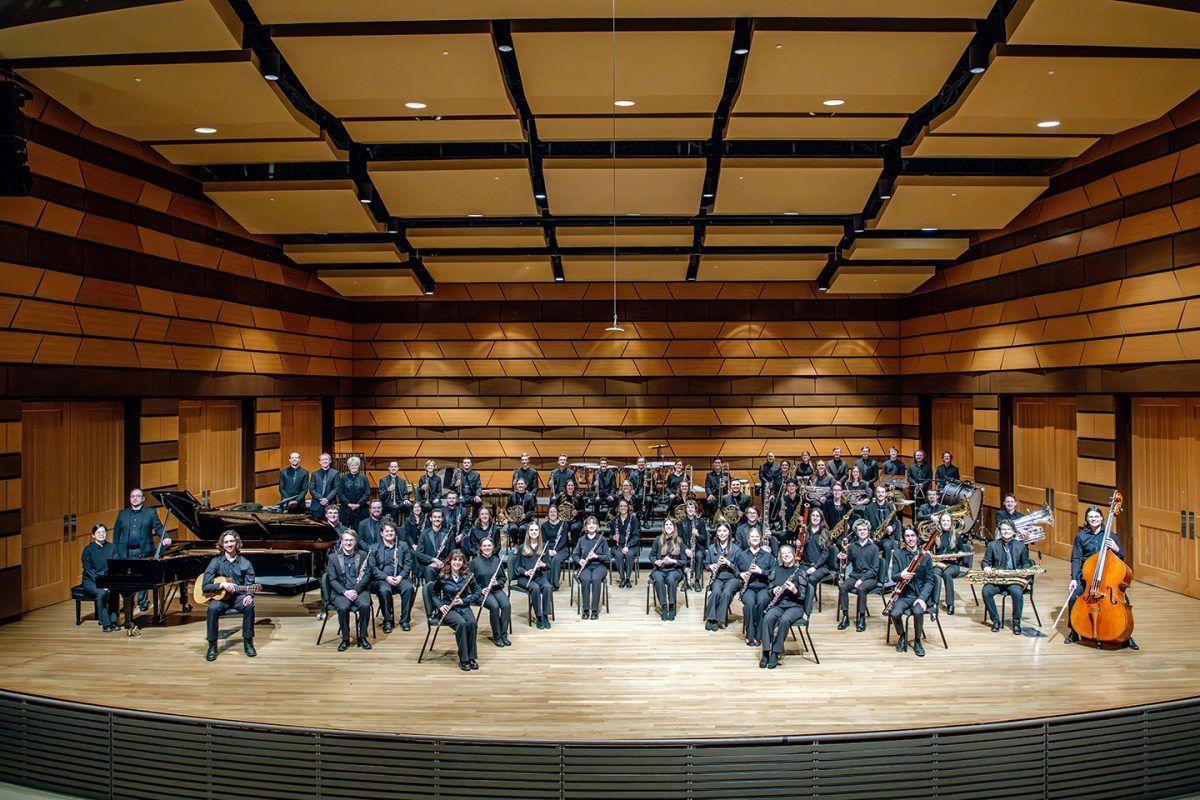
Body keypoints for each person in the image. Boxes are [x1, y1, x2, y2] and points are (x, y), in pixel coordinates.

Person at [1065, 505, 1138, 650]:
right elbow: (1076, 558)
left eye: (1096, 516)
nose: (1094, 519)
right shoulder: (1080, 536)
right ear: (1086, 519)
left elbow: (1121, 557)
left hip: (1107, 579)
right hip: (1087, 577)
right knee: (1073, 598)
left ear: (1102, 518)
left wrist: (1116, 548)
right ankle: (1074, 632)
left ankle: (1126, 636)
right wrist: (1074, 578)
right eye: (1091, 517)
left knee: (1125, 602)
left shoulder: (1111, 535)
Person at [202, 531, 257, 661]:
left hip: (238, 597)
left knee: (249, 606)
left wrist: (249, 594)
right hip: (221, 598)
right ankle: (212, 646)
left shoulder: (245, 563)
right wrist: (221, 585)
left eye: (232, 541)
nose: (229, 544)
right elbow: (205, 586)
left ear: (237, 543)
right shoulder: (216, 562)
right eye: (226, 542)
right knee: (212, 608)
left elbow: (250, 584)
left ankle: (248, 643)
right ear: (222, 544)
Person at [112, 488, 169, 610]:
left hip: (143, 550)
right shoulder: (122, 514)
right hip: (126, 551)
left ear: (143, 498)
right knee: (128, 578)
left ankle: (143, 602)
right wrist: (115, 551)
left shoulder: (150, 512)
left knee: (141, 577)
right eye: (132, 496)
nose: (135, 498)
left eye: (137, 496)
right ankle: (129, 602)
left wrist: (166, 537)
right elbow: (116, 534)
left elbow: (159, 528)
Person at [888, 526, 936, 657]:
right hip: (904, 595)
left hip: (920, 595)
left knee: (918, 611)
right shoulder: (897, 554)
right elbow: (893, 576)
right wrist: (901, 575)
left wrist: (922, 598)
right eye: (907, 536)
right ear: (904, 538)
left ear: (917, 537)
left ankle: (917, 640)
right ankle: (902, 635)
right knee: (894, 613)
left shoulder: (925, 556)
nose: (910, 539)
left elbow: (930, 581)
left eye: (913, 535)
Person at [759, 545, 808, 669]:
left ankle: (775, 652)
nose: (786, 555)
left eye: (789, 553)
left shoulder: (800, 571)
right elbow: (768, 590)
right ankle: (765, 652)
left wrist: (795, 590)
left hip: (795, 606)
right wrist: (773, 590)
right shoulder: (775, 570)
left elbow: (803, 597)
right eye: (783, 554)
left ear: (793, 555)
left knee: (785, 620)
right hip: (779, 604)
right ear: (780, 557)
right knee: (768, 618)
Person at [982, 520, 1035, 634]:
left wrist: (1023, 570)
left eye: (1009, 529)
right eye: (1003, 529)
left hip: (1014, 580)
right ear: (1000, 531)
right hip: (998, 579)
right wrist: (986, 567)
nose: (1006, 532)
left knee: (1017, 593)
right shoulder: (992, 545)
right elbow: (985, 561)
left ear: (1014, 531)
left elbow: (1026, 562)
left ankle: (1016, 623)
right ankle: (995, 621)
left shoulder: (1021, 546)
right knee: (986, 591)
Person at [431, 550, 480, 671]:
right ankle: (464, 658)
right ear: (450, 561)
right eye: (454, 559)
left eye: (460, 560)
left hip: (463, 606)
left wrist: (464, 601)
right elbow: (433, 594)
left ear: (463, 562)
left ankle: (471, 657)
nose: (457, 562)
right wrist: (440, 606)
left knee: (472, 623)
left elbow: (478, 592)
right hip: (448, 608)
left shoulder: (468, 575)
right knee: (461, 624)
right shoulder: (443, 576)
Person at [327, 530, 372, 651]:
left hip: (359, 590)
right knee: (343, 608)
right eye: (346, 540)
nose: (348, 543)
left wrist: (355, 590)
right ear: (342, 541)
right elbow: (332, 580)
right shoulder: (333, 558)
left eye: (351, 540)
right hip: (341, 592)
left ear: (355, 541)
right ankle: (345, 638)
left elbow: (367, 575)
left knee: (365, 605)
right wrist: (345, 592)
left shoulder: (363, 555)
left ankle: (362, 637)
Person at [737, 527, 777, 648]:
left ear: (761, 538)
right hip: (748, 587)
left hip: (763, 587)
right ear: (748, 539)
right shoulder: (742, 555)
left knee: (762, 602)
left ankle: (759, 634)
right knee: (749, 603)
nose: (755, 538)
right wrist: (741, 574)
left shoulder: (768, 556)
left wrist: (761, 571)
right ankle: (750, 634)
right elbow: (735, 570)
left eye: (757, 536)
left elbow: (773, 574)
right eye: (752, 537)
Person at [837, 519, 880, 632]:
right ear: (856, 532)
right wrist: (841, 558)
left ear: (868, 531)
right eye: (860, 530)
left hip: (870, 578)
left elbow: (875, 570)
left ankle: (861, 618)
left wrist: (862, 579)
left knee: (861, 589)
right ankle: (845, 616)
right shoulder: (852, 546)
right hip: (855, 576)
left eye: (865, 529)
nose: (862, 532)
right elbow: (846, 563)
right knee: (843, 587)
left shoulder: (874, 548)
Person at [371, 522, 414, 632]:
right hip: (382, 579)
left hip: (400, 577)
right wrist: (386, 578)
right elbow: (373, 567)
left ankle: (405, 620)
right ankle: (388, 620)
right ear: (381, 533)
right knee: (384, 590)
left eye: (392, 531)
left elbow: (408, 563)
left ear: (395, 532)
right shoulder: (374, 547)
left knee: (409, 588)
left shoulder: (403, 545)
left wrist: (401, 576)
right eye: (386, 531)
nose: (389, 533)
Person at [471, 537, 511, 647]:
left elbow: (503, 578)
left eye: (489, 545)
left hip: (495, 589)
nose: (487, 548)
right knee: (494, 606)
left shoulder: (497, 560)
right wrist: (480, 590)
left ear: (493, 547)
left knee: (506, 605)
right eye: (484, 546)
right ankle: (497, 636)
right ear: (480, 548)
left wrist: (497, 582)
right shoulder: (475, 562)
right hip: (481, 593)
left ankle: (503, 635)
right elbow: (470, 582)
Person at [80, 523, 119, 632]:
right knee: (101, 593)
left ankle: (114, 620)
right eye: (98, 532)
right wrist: (102, 583)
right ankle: (105, 623)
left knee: (114, 590)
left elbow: (114, 566)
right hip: (91, 580)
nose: (102, 534)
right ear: (93, 535)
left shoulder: (112, 547)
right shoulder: (88, 550)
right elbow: (89, 570)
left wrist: (108, 582)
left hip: (107, 578)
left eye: (103, 532)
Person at [931, 512, 972, 614]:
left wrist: (958, 555)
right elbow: (928, 548)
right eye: (943, 520)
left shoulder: (956, 536)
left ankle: (950, 604)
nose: (945, 523)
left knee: (947, 574)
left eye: (948, 521)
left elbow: (961, 550)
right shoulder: (936, 535)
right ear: (940, 522)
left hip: (953, 564)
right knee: (935, 574)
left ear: (951, 522)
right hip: (939, 563)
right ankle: (933, 602)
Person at [798, 508, 836, 616]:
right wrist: (798, 543)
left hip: (821, 566)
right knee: (799, 576)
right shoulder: (805, 531)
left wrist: (815, 567)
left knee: (812, 579)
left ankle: (807, 607)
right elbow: (802, 549)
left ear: (821, 518)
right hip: (806, 563)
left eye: (817, 516)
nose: (815, 518)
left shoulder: (825, 533)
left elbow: (825, 554)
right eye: (813, 515)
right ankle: (800, 602)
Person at [517, 522, 554, 629]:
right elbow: (517, 567)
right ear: (528, 532)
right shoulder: (522, 547)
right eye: (531, 530)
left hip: (538, 576)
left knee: (547, 586)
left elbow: (548, 565)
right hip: (524, 578)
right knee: (535, 588)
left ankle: (545, 615)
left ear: (539, 532)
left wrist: (543, 565)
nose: (534, 532)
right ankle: (539, 616)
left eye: (536, 530)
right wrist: (525, 572)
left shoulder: (543, 546)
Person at [703, 523, 740, 630]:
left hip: (732, 577)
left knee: (727, 592)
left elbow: (739, 569)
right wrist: (711, 566)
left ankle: (719, 618)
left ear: (729, 533)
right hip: (718, 577)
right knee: (716, 592)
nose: (722, 533)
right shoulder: (711, 548)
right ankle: (711, 619)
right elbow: (706, 564)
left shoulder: (736, 549)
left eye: (724, 531)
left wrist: (729, 563)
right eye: (719, 531)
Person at [573, 516, 610, 619]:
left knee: (596, 579)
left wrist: (596, 556)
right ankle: (585, 609)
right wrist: (579, 560)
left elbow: (607, 556)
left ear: (597, 526)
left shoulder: (601, 539)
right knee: (585, 580)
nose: (591, 525)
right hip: (585, 567)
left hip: (599, 566)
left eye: (593, 523)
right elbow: (575, 555)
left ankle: (594, 610)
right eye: (589, 523)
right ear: (585, 526)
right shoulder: (582, 539)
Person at [650, 519, 686, 621]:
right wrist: (656, 561)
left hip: (674, 569)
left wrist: (672, 561)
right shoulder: (658, 539)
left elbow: (683, 561)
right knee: (658, 579)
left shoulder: (679, 541)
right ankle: (664, 606)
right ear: (663, 527)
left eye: (671, 524)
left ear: (674, 527)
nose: (668, 526)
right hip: (660, 569)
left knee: (671, 579)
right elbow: (651, 555)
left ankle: (671, 605)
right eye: (666, 524)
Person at [864, 484, 900, 580]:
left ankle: (884, 573)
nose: (880, 494)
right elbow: (865, 525)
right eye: (879, 492)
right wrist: (868, 537)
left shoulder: (890, 507)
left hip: (886, 537)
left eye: (883, 492)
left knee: (887, 546)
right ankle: (872, 572)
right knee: (871, 547)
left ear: (885, 493)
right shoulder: (868, 508)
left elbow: (895, 522)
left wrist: (892, 527)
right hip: (872, 537)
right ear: (875, 493)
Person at [415, 508, 453, 583]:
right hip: (429, 565)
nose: (437, 519)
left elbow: (452, 553)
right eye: (434, 517)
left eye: (439, 517)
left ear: (442, 519)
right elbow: (419, 554)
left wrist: (442, 563)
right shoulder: (424, 534)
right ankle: (430, 590)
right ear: (431, 519)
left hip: (445, 565)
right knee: (429, 571)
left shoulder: (448, 533)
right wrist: (433, 560)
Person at [610, 498, 639, 588]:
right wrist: (613, 537)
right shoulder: (614, 520)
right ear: (618, 508)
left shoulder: (633, 519)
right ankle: (622, 578)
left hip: (631, 546)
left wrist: (628, 546)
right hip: (618, 546)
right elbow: (610, 535)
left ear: (628, 507)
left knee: (629, 555)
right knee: (619, 555)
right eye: (621, 506)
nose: (623, 508)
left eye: (625, 506)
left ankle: (627, 579)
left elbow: (636, 537)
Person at [679, 499, 707, 590]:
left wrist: (698, 534)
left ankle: (697, 581)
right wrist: (686, 549)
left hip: (697, 547)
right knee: (682, 556)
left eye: (692, 507)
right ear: (685, 509)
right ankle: (686, 581)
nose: (690, 509)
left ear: (695, 509)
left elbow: (704, 538)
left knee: (699, 556)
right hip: (685, 547)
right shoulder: (681, 522)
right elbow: (679, 539)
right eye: (688, 507)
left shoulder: (700, 521)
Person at [541, 504, 570, 590]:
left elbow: (564, 540)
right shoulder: (544, 525)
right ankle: (545, 582)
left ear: (557, 513)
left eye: (554, 512)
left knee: (556, 559)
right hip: (549, 548)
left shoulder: (564, 525)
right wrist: (548, 551)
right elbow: (544, 541)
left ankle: (554, 585)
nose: (553, 514)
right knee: (544, 558)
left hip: (562, 549)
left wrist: (555, 550)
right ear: (548, 513)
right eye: (551, 512)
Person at [338, 457, 370, 529]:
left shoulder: (364, 478)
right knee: (346, 531)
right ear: (349, 467)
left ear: (358, 466)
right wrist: (348, 504)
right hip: (346, 510)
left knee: (360, 530)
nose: (354, 467)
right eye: (352, 465)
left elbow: (367, 492)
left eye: (356, 465)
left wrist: (358, 504)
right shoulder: (343, 478)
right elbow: (340, 493)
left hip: (361, 509)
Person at [505, 479, 537, 547]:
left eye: (522, 484)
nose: (520, 485)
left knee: (522, 529)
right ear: (516, 486)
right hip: (514, 521)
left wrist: (525, 515)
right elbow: (508, 508)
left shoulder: (529, 497)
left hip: (526, 520)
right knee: (513, 529)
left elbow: (532, 511)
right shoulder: (512, 496)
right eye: (518, 484)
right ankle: (516, 545)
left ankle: (521, 546)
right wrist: (511, 515)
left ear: (525, 485)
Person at [554, 478, 585, 546]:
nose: (570, 487)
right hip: (563, 520)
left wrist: (577, 512)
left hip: (576, 520)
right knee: (563, 527)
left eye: (572, 485)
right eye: (568, 485)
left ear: (574, 486)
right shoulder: (561, 495)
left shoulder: (579, 496)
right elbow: (555, 506)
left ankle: (575, 545)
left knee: (575, 527)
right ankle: (565, 546)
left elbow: (583, 510)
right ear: (566, 486)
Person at [309, 453, 339, 519]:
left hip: (330, 505)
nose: (324, 461)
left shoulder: (335, 473)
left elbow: (336, 488)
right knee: (317, 524)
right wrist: (321, 499)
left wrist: (327, 499)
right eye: (322, 460)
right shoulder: (314, 474)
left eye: (326, 459)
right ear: (320, 462)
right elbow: (311, 489)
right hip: (317, 505)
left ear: (330, 461)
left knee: (330, 524)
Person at [456, 457, 483, 524]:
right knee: (459, 502)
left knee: (478, 502)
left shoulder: (476, 474)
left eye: (468, 463)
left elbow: (478, 487)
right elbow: (451, 487)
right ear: (462, 464)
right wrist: (456, 485)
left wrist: (478, 495)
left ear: (471, 464)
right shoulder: (457, 474)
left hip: (471, 496)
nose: (466, 464)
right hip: (461, 496)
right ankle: (463, 522)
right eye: (465, 463)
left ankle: (474, 521)